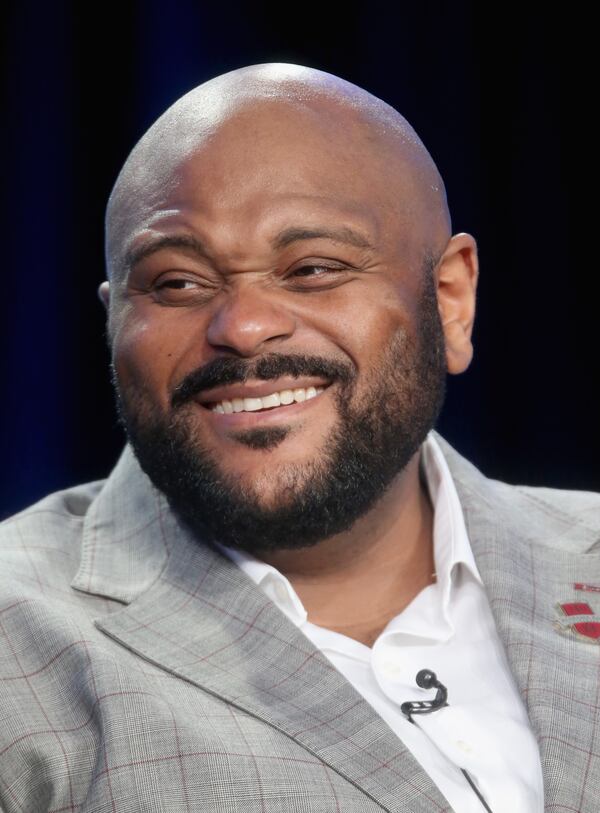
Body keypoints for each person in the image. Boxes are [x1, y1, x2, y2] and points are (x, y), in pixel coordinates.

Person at [0, 63, 598, 813]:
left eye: (313, 268)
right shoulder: (17, 645)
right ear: (115, 319)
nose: (243, 326)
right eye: (177, 283)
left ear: (449, 300)